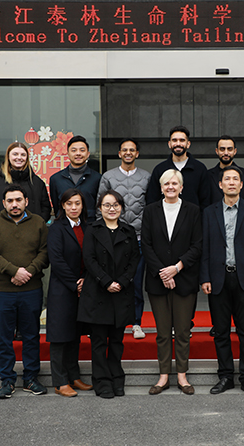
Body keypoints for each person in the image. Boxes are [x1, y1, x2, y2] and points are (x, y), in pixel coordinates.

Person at [200, 166, 244, 397]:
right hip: (218, 278)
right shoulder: (209, 212)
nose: (231, 182)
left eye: (235, 179)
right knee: (221, 331)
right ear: (220, 185)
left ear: (241, 184)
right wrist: (205, 277)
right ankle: (225, 376)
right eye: (226, 179)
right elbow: (204, 247)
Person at [0, 184, 49, 399]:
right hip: (1, 290)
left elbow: (45, 252)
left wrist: (28, 272)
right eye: (10, 201)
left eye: (18, 200)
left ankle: (30, 378)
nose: (14, 204)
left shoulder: (38, 222)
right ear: (3, 203)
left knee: (31, 336)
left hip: (31, 289)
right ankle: (7, 380)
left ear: (26, 201)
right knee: (3, 337)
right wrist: (13, 271)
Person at [141, 170, 202, 395]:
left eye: (175, 183)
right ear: (161, 187)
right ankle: (164, 375)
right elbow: (146, 244)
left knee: (183, 331)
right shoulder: (150, 210)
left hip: (184, 278)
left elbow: (197, 244)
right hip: (158, 280)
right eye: (166, 183)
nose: (170, 187)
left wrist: (176, 268)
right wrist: (163, 273)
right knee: (163, 332)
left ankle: (182, 376)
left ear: (181, 187)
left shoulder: (193, 210)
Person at [77, 190, 140, 399]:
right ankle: (102, 382)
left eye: (115, 205)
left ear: (121, 207)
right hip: (98, 292)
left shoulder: (129, 231)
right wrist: (106, 282)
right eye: (107, 205)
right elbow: (89, 259)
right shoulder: (92, 230)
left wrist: (121, 282)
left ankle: (117, 379)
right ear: (100, 208)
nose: (111, 209)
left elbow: (135, 260)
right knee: (98, 342)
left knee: (116, 341)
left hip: (121, 292)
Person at [98, 139, 151, 340]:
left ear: (137, 153)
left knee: (135, 282)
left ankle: (136, 322)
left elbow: (150, 207)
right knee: (111, 280)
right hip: (112, 238)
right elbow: (100, 207)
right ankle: (111, 320)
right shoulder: (108, 176)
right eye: (124, 150)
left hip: (138, 238)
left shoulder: (146, 177)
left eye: (132, 150)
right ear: (119, 153)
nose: (128, 153)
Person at [46, 188, 93, 397]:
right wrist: (75, 283)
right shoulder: (56, 228)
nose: (74, 207)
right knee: (60, 337)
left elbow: (91, 257)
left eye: (77, 203)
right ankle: (60, 381)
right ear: (62, 206)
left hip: (82, 288)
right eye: (69, 204)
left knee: (75, 335)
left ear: (83, 206)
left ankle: (74, 377)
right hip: (62, 290)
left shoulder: (87, 227)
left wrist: (86, 280)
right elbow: (56, 261)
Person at [0, 142, 51, 222]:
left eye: (23, 155)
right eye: (15, 154)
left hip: (32, 229)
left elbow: (46, 208)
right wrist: (0, 223)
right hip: (3, 229)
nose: (19, 157)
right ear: (8, 156)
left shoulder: (37, 182)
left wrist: (37, 224)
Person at [146, 125, 211, 210]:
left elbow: (206, 201)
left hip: (193, 218)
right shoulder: (160, 169)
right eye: (174, 140)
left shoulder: (200, 169)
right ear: (169, 144)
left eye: (182, 140)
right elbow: (152, 200)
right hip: (165, 217)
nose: (178, 144)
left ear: (188, 144)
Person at [49, 136, 101, 220]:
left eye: (82, 150)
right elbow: (56, 207)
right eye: (74, 150)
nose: (78, 153)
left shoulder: (97, 178)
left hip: (90, 225)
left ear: (88, 154)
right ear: (68, 153)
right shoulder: (56, 179)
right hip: (64, 225)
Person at [207, 135, 244, 204]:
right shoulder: (208, 175)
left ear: (235, 151)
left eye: (229, 149)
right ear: (217, 151)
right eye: (222, 149)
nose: (226, 153)